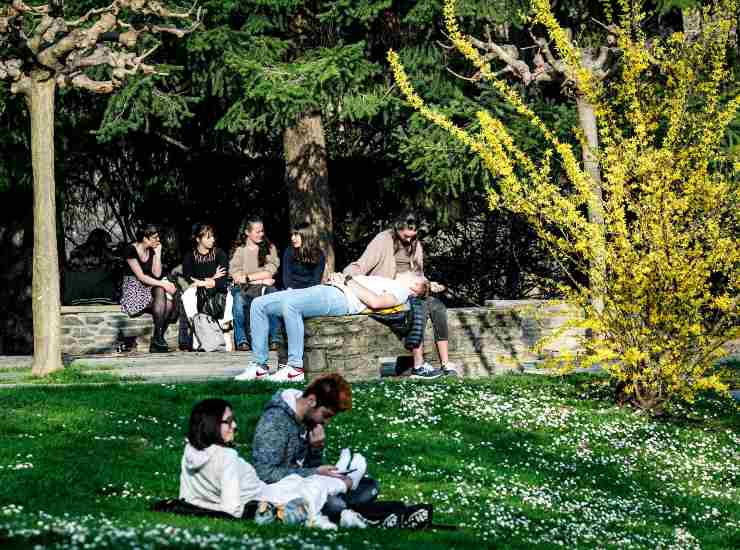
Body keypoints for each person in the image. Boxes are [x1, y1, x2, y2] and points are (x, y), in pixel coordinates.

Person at [179, 398, 368, 529]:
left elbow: (186, 498)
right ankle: (349, 479)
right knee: (313, 485)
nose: (235, 425)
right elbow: (232, 510)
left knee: (295, 480)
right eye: (228, 421)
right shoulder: (226, 457)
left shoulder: (191, 450)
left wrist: (201, 508)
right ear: (212, 424)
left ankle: (340, 474)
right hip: (264, 500)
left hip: (262, 491)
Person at [234, 270, 428, 382]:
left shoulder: (401, 291)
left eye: (415, 274)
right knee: (259, 304)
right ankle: (259, 365)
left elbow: (375, 302)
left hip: (341, 299)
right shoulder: (389, 280)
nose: (410, 270)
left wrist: (348, 280)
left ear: (415, 286)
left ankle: (295, 368)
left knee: (290, 305)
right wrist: (338, 278)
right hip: (329, 289)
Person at [343, 211, 459, 379]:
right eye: (406, 236)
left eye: (413, 236)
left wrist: (427, 285)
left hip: (412, 289)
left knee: (438, 307)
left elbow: (419, 274)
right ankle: (418, 365)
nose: (409, 240)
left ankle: (445, 363)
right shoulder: (383, 240)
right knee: (419, 308)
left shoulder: (416, 245)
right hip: (392, 290)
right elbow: (361, 265)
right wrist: (344, 276)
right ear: (398, 228)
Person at [250, 374, 376, 524]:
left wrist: (316, 448)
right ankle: (342, 498)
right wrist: (315, 472)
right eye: (326, 415)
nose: (326, 422)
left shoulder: (308, 419)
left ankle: (344, 490)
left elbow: (308, 467)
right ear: (311, 401)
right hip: (282, 491)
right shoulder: (274, 422)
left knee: (370, 486)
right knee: (336, 504)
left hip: (306, 485)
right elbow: (265, 473)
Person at [120, 224, 178, 353]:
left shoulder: (152, 250)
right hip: (133, 290)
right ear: (145, 239)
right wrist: (163, 284)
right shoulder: (130, 250)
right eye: (154, 237)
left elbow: (157, 274)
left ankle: (157, 338)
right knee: (162, 294)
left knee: (167, 303)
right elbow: (140, 276)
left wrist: (158, 253)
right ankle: (157, 339)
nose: (158, 240)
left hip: (148, 288)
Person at [229, 218, 280, 351]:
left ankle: (275, 339)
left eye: (262, 231)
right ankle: (242, 340)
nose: (261, 234)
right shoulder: (239, 250)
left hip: (264, 287)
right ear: (247, 232)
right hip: (244, 289)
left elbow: (271, 270)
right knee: (238, 301)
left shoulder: (270, 248)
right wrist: (257, 279)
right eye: (257, 232)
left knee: (273, 294)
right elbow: (236, 275)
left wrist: (248, 277)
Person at [179, 223, 229, 350]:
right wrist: (211, 279)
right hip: (198, 291)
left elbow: (222, 280)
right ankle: (192, 338)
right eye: (208, 237)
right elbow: (189, 279)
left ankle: (220, 339)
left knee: (226, 298)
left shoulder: (219, 254)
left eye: (213, 236)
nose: (212, 239)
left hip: (218, 291)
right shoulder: (190, 256)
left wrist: (204, 282)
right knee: (188, 296)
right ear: (198, 239)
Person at [282, 222, 326, 290]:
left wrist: (307, 293)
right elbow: (287, 277)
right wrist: (290, 290)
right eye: (292, 235)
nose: (292, 238)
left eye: (296, 235)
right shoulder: (289, 251)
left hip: (310, 291)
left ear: (305, 236)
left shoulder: (319, 255)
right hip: (291, 290)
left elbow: (316, 280)